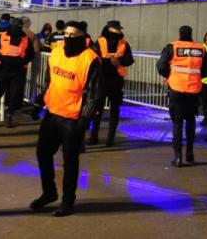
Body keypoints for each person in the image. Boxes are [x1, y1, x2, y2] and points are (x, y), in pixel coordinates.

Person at [30, 20, 100, 217]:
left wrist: (84, 120)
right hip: (52, 114)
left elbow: (95, 94)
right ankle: (49, 192)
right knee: (42, 154)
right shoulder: (57, 51)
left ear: (83, 37)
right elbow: (49, 80)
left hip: (73, 118)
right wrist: (39, 102)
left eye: (73, 35)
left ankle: (68, 200)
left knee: (70, 161)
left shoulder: (90, 59)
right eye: (66, 34)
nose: (68, 38)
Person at [157, 24, 205, 167]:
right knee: (190, 122)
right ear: (191, 34)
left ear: (179, 34)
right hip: (194, 91)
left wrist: (169, 76)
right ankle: (190, 153)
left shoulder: (172, 47)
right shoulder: (200, 48)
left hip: (177, 89)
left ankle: (178, 157)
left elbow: (161, 66)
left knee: (177, 123)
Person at [89, 19, 133, 147]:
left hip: (116, 80)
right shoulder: (100, 41)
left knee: (115, 109)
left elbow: (130, 59)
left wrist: (120, 62)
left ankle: (111, 138)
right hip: (101, 79)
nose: (119, 31)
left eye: (119, 29)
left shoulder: (124, 43)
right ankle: (93, 137)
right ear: (109, 29)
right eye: (117, 29)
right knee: (97, 109)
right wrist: (108, 62)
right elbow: (92, 59)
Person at [0, 18, 34, 128]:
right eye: (16, 26)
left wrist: (21, 61)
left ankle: (9, 116)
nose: (17, 28)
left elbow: (31, 54)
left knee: (13, 96)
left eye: (19, 26)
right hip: (2, 70)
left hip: (18, 71)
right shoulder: (2, 36)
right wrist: (0, 59)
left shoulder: (25, 39)